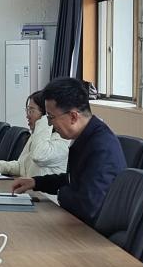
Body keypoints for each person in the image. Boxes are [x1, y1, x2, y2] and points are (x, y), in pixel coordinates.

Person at [12, 78, 126, 226]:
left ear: (73, 116)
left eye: (51, 117)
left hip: (92, 232)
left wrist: (60, 193)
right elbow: (73, 180)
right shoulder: (87, 135)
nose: (49, 123)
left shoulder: (101, 146)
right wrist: (36, 182)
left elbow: (88, 206)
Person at [0, 90, 69, 178]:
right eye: (27, 110)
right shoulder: (37, 136)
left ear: (45, 114)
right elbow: (22, 166)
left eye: (31, 111)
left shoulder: (62, 141)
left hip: (41, 188)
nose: (27, 116)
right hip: (28, 186)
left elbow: (39, 156)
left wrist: (45, 121)